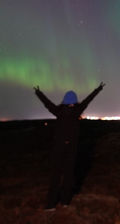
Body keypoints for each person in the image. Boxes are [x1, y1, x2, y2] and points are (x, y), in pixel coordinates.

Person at [34, 82, 105, 210]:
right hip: (71, 148)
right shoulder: (78, 110)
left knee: (55, 175)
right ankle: (65, 202)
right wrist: (97, 89)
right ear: (74, 101)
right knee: (69, 174)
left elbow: (47, 103)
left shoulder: (58, 111)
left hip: (59, 148)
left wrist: (39, 93)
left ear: (65, 101)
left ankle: (51, 204)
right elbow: (88, 99)